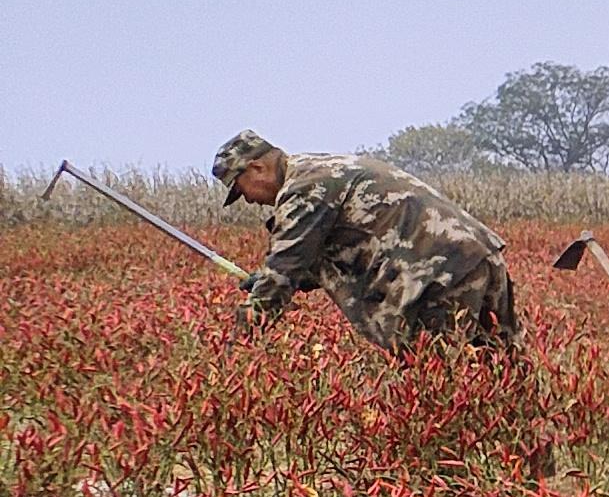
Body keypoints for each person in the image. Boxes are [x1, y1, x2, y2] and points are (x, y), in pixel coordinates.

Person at [209, 129, 519, 352]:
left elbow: (285, 266)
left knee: (439, 379)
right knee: (501, 366)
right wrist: (270, 279)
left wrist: (238, 345)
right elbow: (318, 255)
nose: (247, 200)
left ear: (257, 167)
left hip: (440, 276)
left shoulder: (304, 189)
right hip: (477, 257)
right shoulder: (322, 169)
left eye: (241, 189)